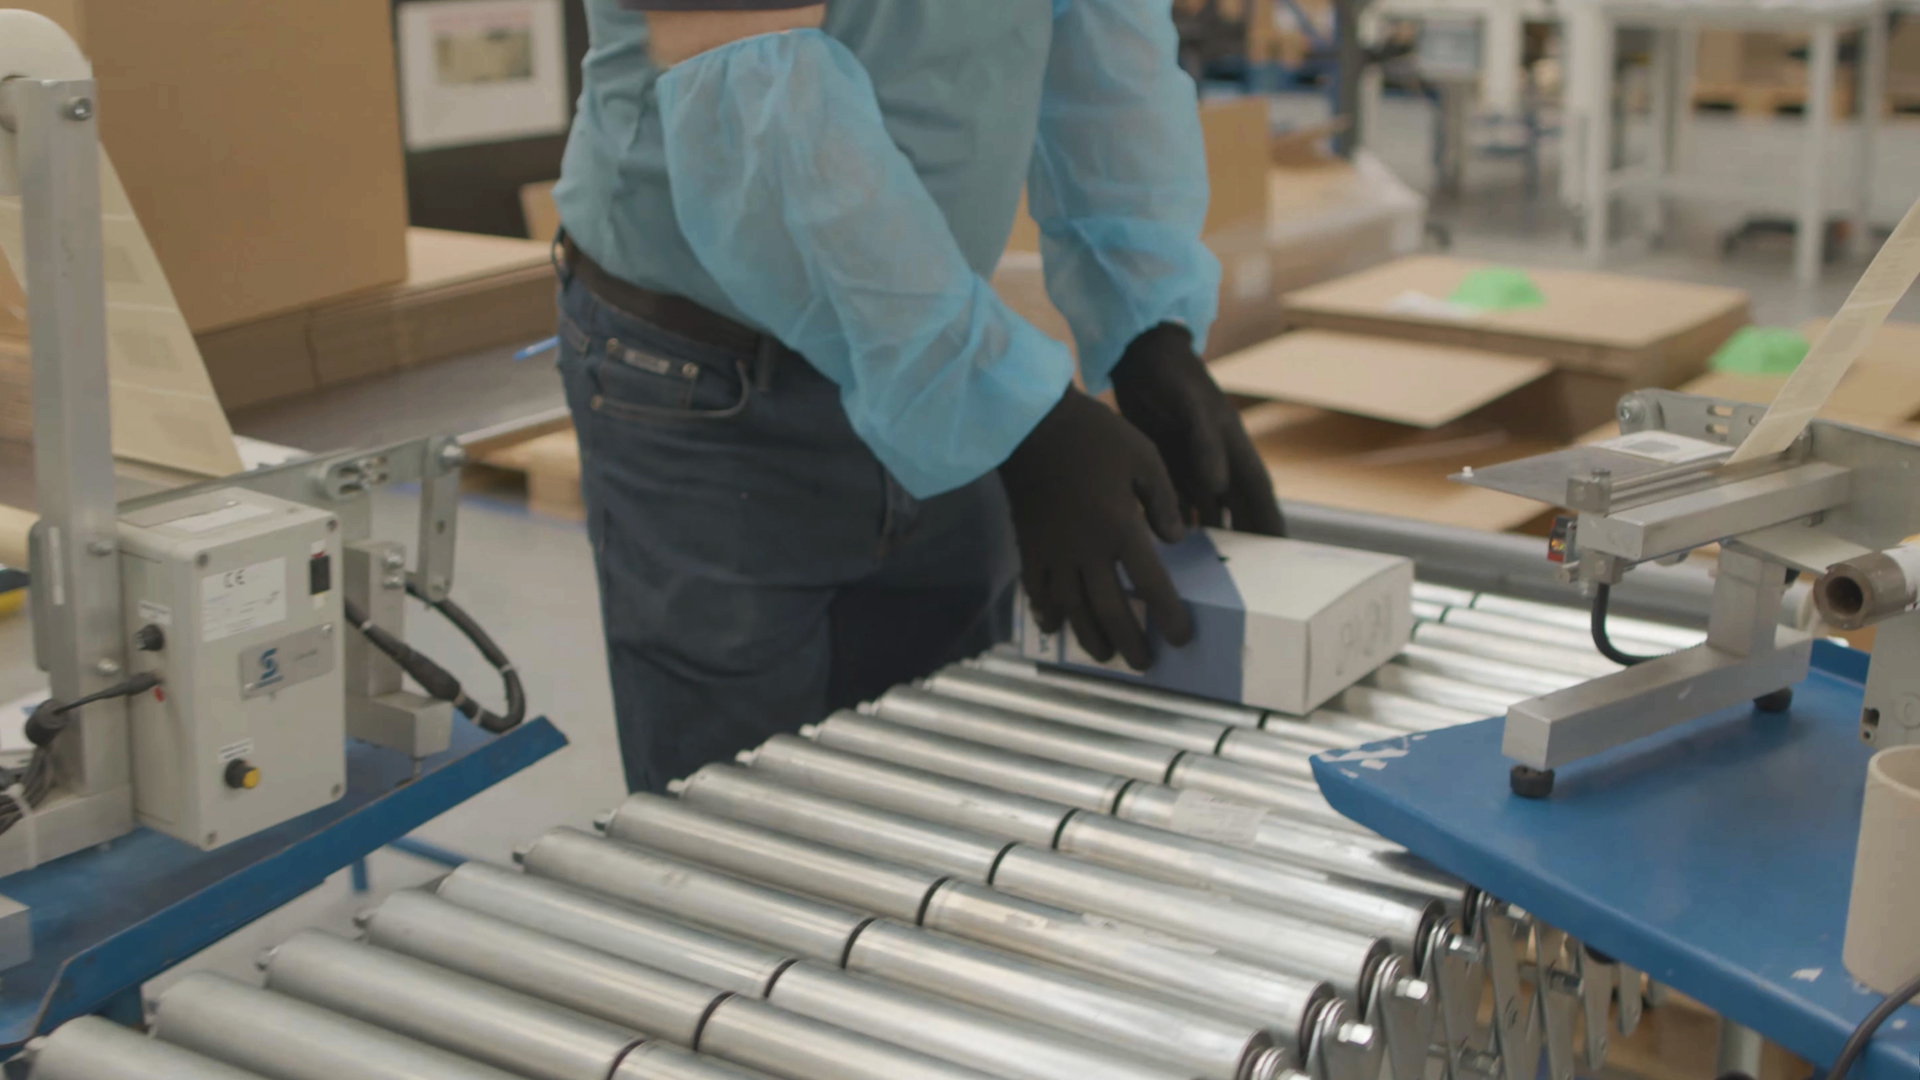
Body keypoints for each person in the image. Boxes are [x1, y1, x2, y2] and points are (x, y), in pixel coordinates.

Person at [552, 0, 1284, 794]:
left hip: (937, 337)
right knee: (741, 830)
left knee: (934, 794)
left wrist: (1146, 322)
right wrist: (1013, 415)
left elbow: (1103, 39)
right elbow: (756, 93)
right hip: (711, 382)